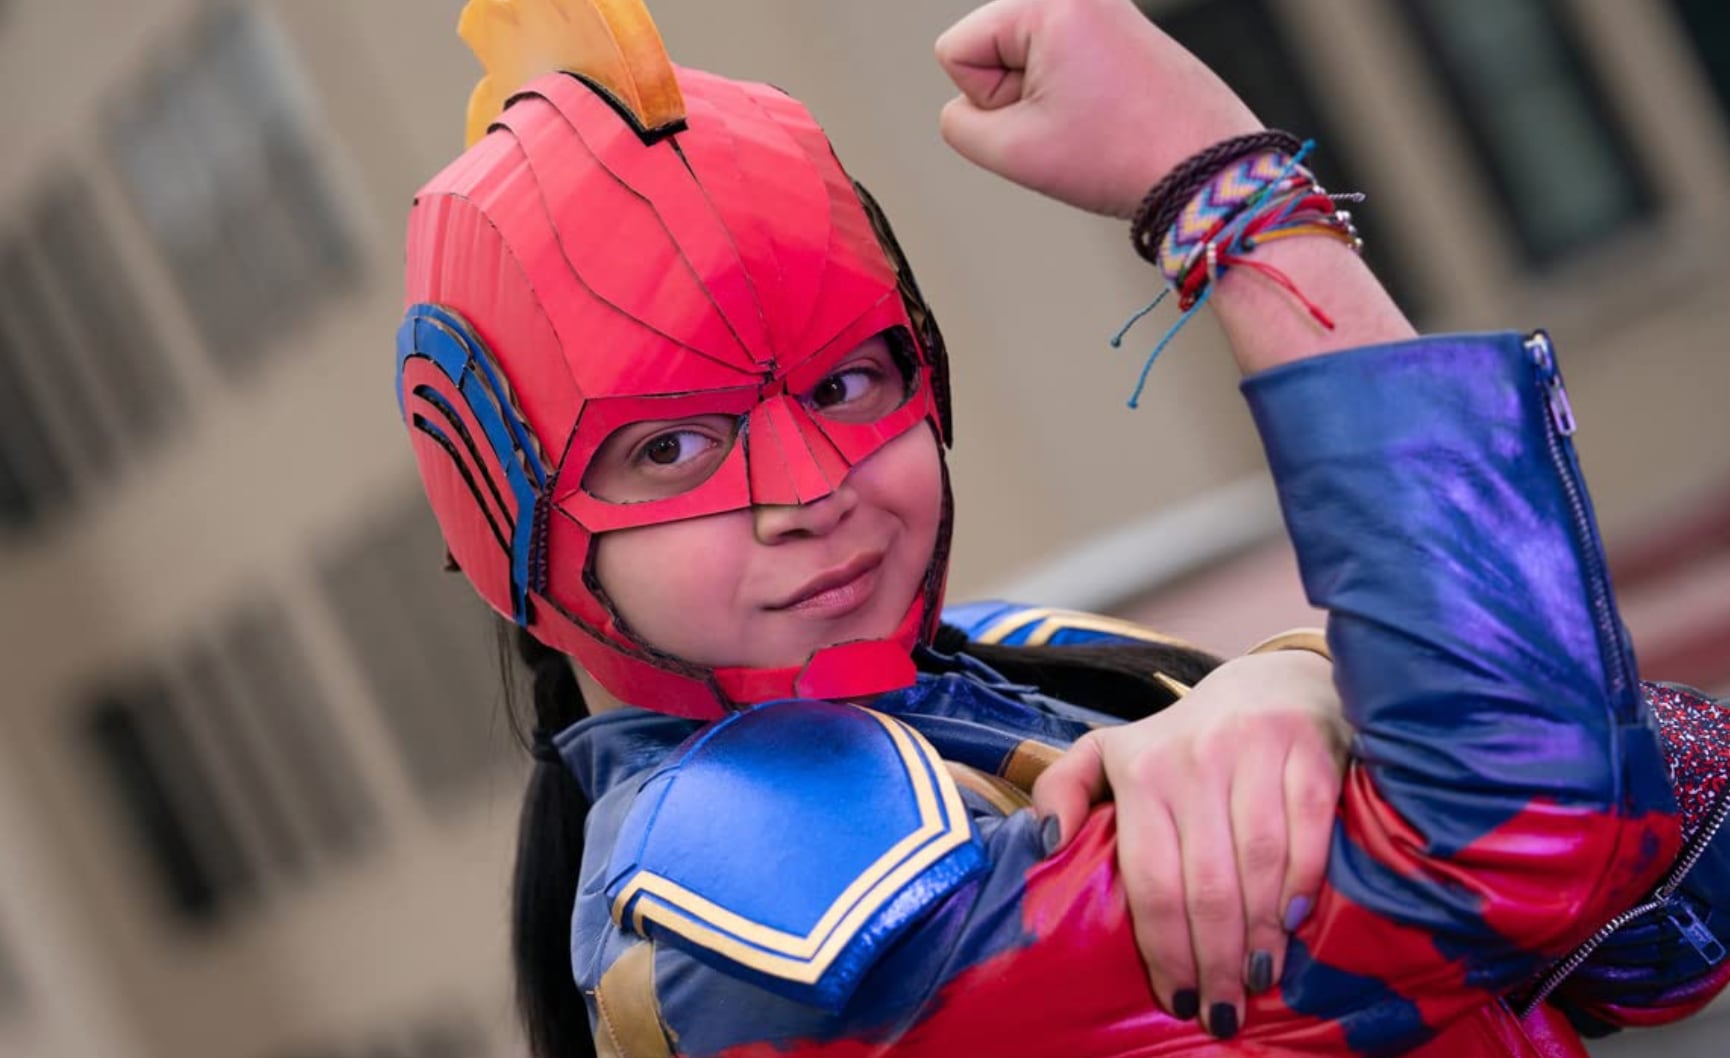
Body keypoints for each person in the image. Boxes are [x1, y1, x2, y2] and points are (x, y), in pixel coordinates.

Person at [394, 1, 1730, 1056]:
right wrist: (1228, 196)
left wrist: (1306, 685)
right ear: (505, 509)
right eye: (669, 447)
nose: (809, 490)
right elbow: (1534, 831)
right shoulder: (747, 895)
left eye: (846, 381)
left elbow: (1667, 898)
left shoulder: (1025, 670)